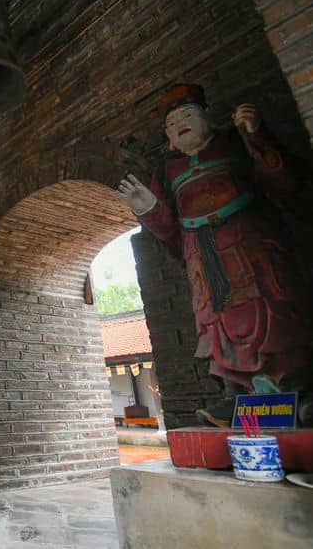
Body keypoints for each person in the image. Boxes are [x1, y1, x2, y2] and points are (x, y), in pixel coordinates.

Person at [117, 83, 311, 427]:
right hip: (202, 255)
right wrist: (148, 208)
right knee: (214, 320)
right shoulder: (168, 171)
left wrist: (256, 135)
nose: (181, 123)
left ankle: (296, 388)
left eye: (189, 115)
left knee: (270, 307)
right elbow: (170, 233)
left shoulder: (232, 144)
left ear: (209, 120)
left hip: (249, 241)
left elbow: (284, 185)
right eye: (172, 123)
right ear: (170, 140)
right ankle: (235, 393)